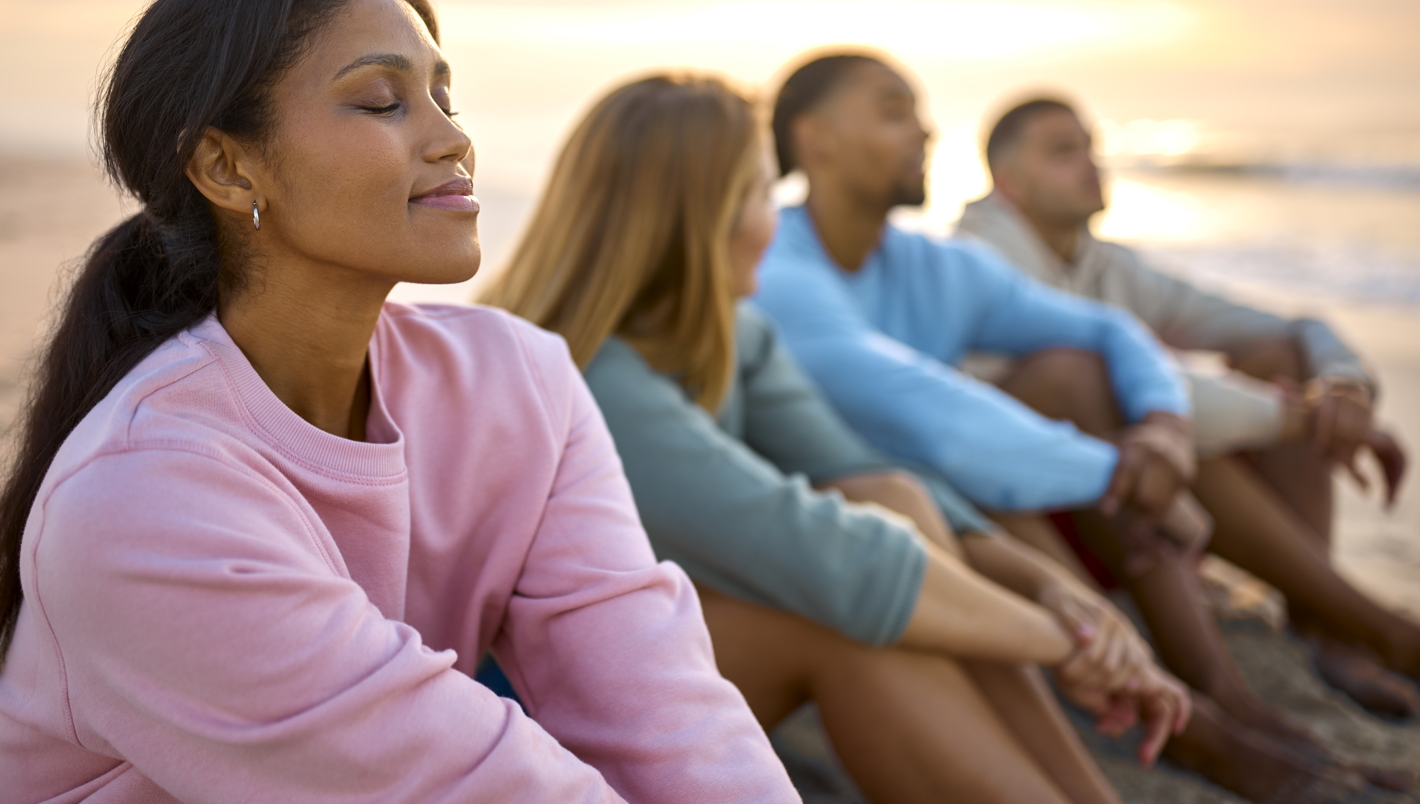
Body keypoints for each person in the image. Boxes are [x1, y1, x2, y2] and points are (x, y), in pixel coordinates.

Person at [0, 0, 797, 803]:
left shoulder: (520, 381)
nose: (454, 138)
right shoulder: (142, 494)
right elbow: (481, 787)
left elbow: (663, 709)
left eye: (444, 96)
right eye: (382, 101)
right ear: (226, 166)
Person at [485, 71, 1200, 804]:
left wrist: (1061, 595)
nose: (777, 223)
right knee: (844, 625)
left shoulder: (737, 337)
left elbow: (866, 473)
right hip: (530, 712)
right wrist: (1067, 642)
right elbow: (812, 550)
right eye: (764, 195)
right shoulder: (592, 373)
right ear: (698, 218)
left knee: (888, 495)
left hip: (642, 654)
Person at [752, 50, 1408, 800]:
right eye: (895, 110)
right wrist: (1127, 475)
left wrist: (1162, 429)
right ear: (815, 138)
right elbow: (929, 416)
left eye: (923, 112)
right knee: (956, 471)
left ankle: (1227, 693)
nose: (927, 131)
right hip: (855, 538)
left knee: (1065, 384)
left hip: (975, 518)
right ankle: (1208, 716)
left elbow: (1108, 329)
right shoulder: (776, 265)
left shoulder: (931, 266)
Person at [955, 95, 1419, 720]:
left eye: (1091, 146)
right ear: (1007, 183)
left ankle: (1328, 625)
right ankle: (1357, 636)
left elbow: (1282, 326)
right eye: (1064, 152)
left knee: (1276, 354)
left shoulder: (1103, 264)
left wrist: (1344, 386)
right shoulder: (978, 260)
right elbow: (1125, 396)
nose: (1092, 165)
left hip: (1128, 503)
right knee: (1122, 403)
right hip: (1036, 531)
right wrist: (1301, 417)